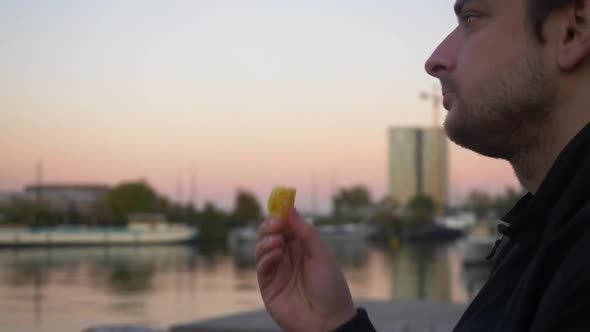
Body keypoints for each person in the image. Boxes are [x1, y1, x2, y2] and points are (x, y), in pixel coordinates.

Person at [256, 0, 590, 330]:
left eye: (471, 18)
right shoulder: (541, 235)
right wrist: (332, 324)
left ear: (573, 29)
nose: (435, 61)